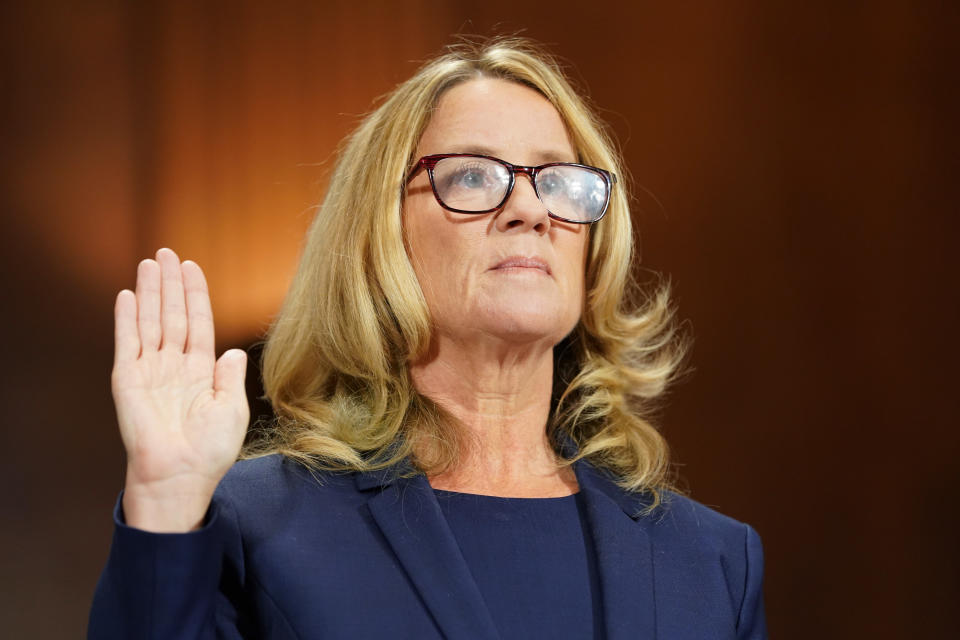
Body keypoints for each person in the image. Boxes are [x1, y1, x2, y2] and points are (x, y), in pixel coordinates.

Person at [89, 38, 767, 639]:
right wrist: (165, 502)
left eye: (559, 181)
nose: (529, 209)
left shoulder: (710, 563)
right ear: (381, 234)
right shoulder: (258, 526)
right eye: (472, 175)